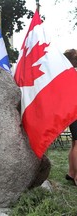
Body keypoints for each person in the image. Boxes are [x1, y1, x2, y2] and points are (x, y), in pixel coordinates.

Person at [64, 49, 77, 186]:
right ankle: (76, 176)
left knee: (74, 143)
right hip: (75, 110)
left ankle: (71, 172)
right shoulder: (73, 74)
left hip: (71, 112)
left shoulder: (65, 74)